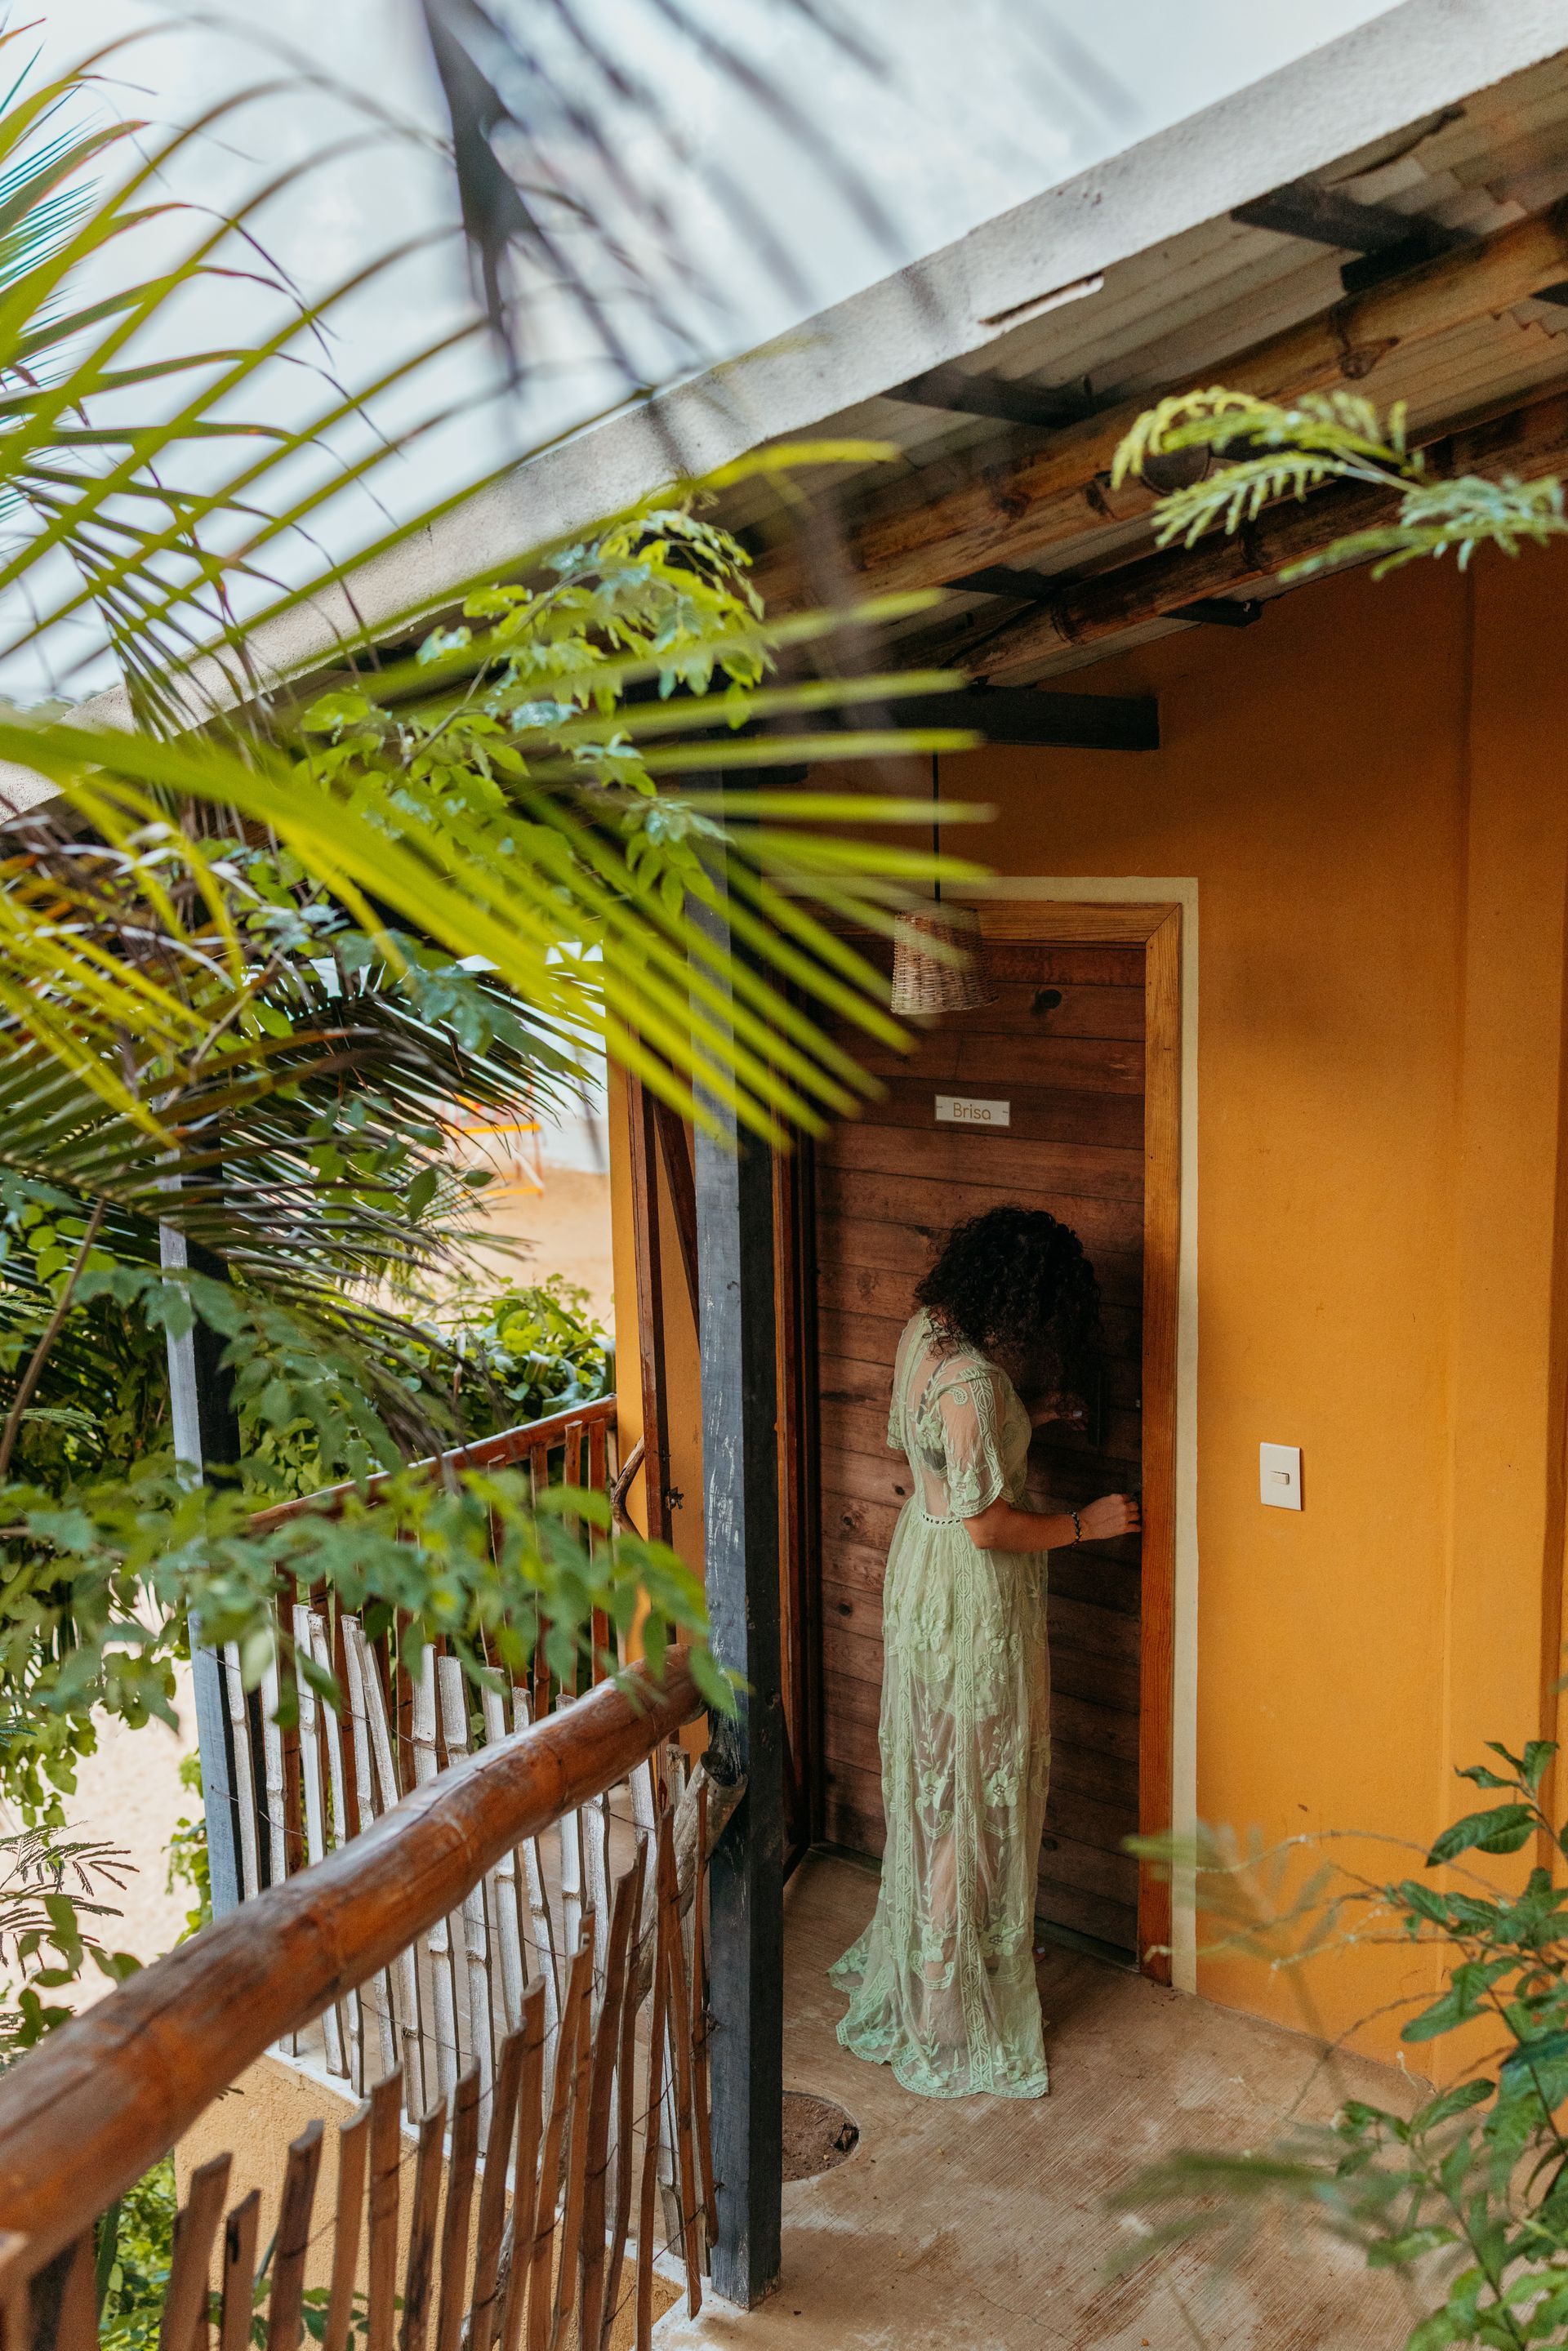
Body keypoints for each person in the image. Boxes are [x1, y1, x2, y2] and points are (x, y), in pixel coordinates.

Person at [830, 1204, 1140, 2099]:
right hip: (972, 1597)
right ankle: (945, 2008)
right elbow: (990, 1523)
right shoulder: (976, 1383)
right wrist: (1089, 1522)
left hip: (917, 1568)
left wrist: (1027, 1413)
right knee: (974, 1785)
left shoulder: (924, 1332)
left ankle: (959, 1941)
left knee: (940, 1775)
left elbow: (929, 1446)